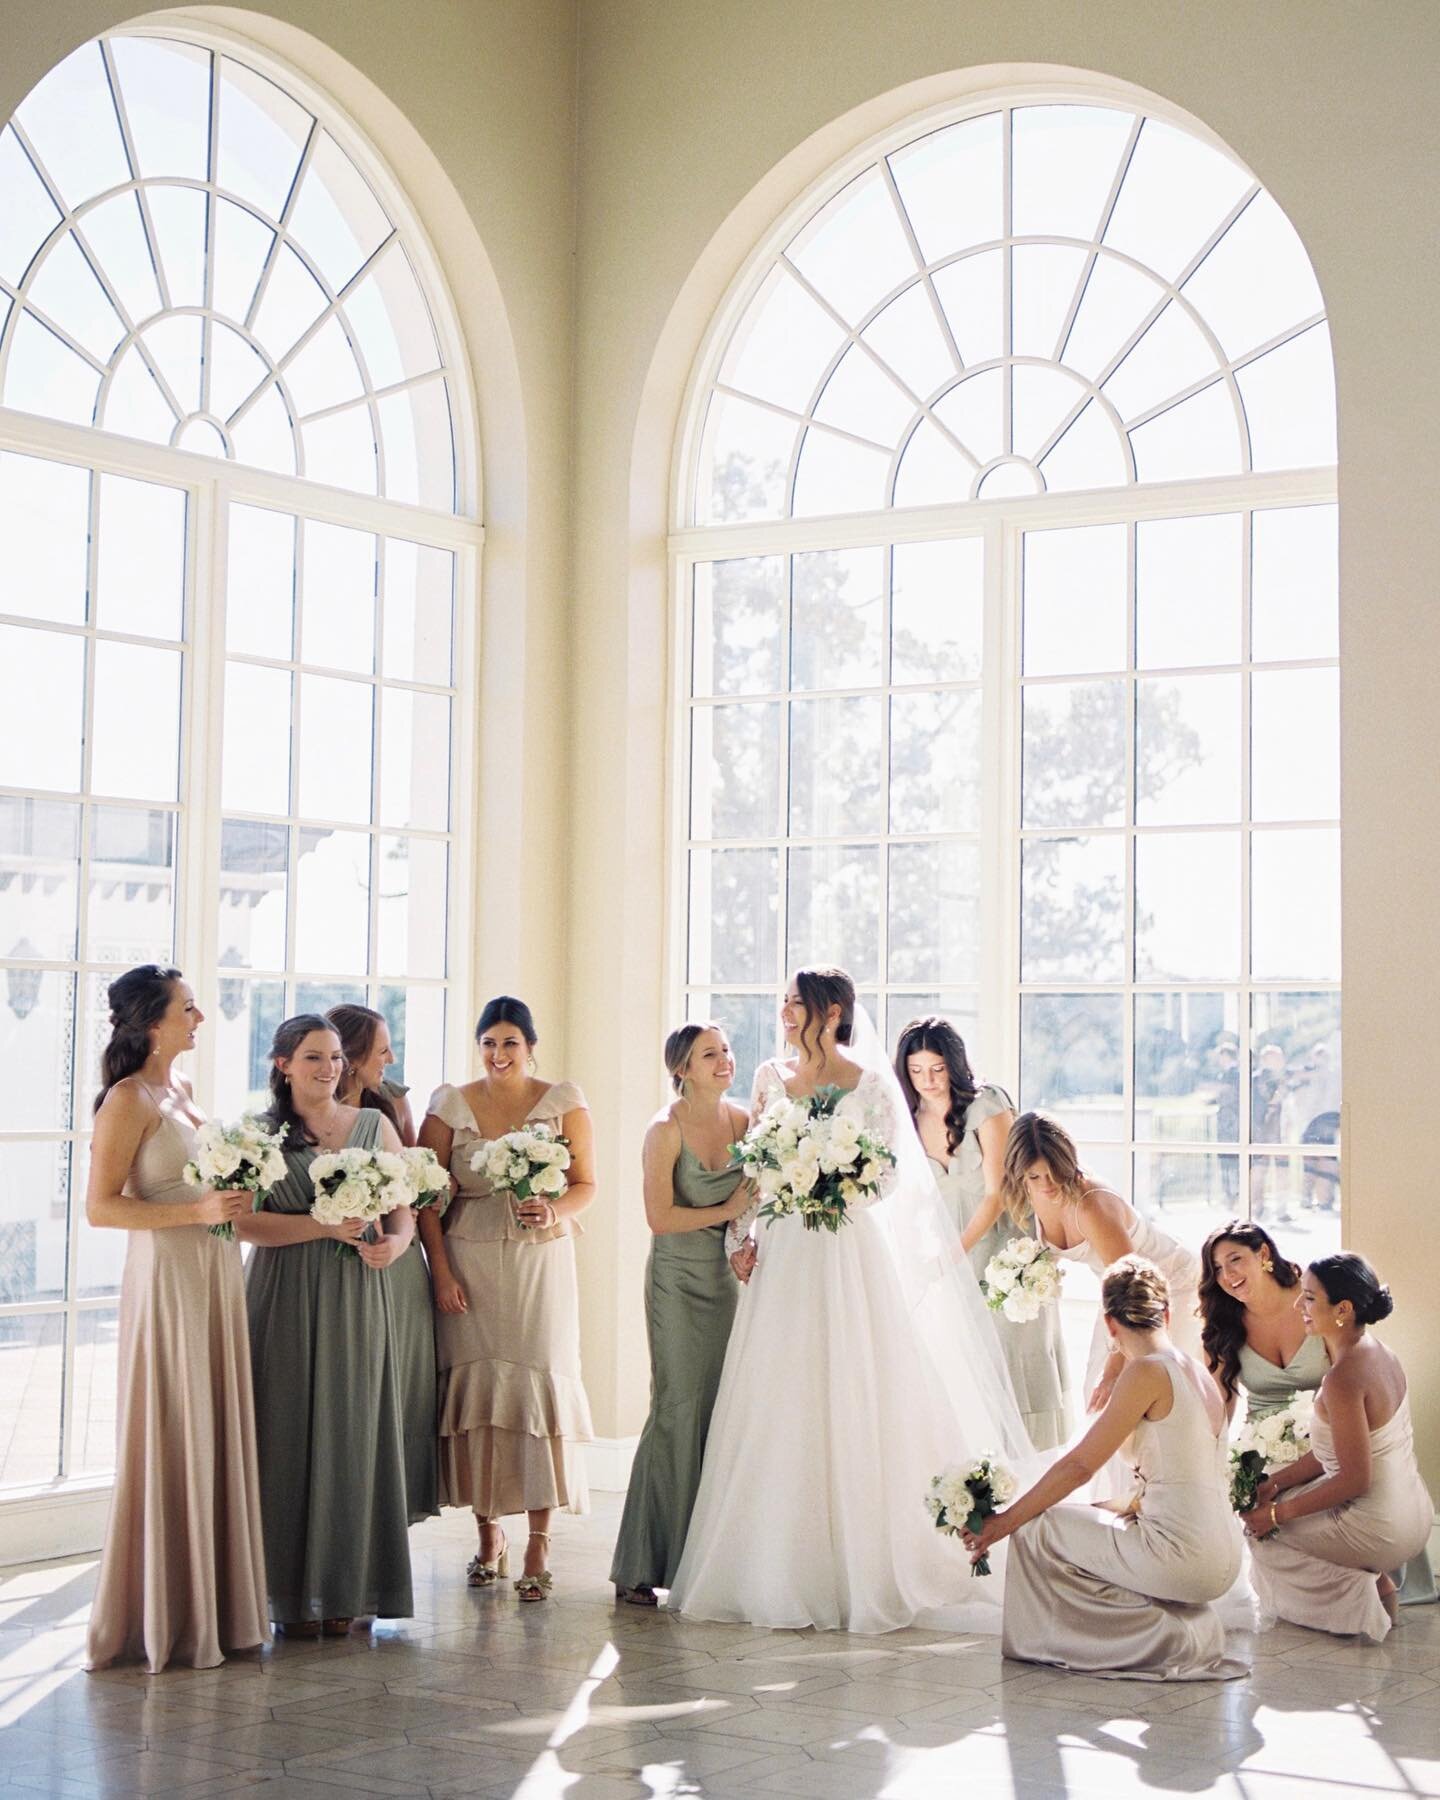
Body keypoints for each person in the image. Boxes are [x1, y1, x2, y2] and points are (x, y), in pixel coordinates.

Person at [668, 966, 1031, 1634]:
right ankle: (777, 1563)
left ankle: (870, 1559)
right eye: (781, 1003)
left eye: (795, 1004)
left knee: (856, 1384)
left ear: (831, 1011)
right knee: (780, 1393)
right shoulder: (769, 1078)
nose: (784, 1013)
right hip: (782, 1252)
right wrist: (738, 1240)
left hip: (844, 1247)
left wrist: (836, 1181)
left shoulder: (869, 1084)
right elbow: (755, 1167)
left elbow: (890, 1172)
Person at [84, 966, 268, 1673]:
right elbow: (102, 1208)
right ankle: (160, 1616)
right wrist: (194, 1212)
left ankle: (212, 1609)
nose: (200, 1019)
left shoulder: (181, 1091)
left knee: (209, 1425)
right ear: (152, 1023)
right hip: (168, 1278)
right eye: (188, 1009)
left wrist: (228, 1197)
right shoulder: (127, 1100)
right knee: (174, 1425)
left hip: (213, 1271)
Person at [962, 1256, 1246, 1682]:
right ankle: (1157, 1629)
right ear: (1165, 1314)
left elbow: (1078, 1465)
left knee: (1035, 1528)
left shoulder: (1147, 1371)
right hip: (1225, 1555)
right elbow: (1180, 1479)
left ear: (1110, 1325)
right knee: (1072, 1517)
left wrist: (1002, 1523)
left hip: (1184, 1557)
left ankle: (1060, 1643)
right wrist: (1104, 1508)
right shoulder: (1196, 1371)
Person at [417, 996, 596, 1602]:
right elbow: (425, 1199)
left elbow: (586, 1184)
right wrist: (440, 1273)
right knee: (480, 1396)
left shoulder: (563, 1101)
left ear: (530, 1045)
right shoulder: (449, 1104)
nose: (498, 1055)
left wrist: (554, 1206)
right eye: (489, 1043)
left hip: (541, 1262)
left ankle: (540, 1541)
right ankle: (488, 1533)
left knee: (537, 1387)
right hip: (468, 1261)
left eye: (510, 1043)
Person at [241, 1015, 415, 1637]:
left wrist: (394, 1247)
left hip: (355, 1294)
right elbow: (243, 1224)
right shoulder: (258, 1136)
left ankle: (348, 1588)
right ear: (283, 1063)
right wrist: (321, 1226)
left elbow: (405, 1214)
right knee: (281, 1432)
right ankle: (280, 1592)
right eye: (315, 1057)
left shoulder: (375, 1126)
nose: (330, 1068)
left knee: (352, 1429)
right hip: (281, 1294)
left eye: (337, 1057)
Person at [609, 1023, 756, 1605]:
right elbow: (659, 1217)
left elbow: (756, 1204)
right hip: (675, 1279)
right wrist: (725, 1208)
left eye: (725, 1051)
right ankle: (640, 1564)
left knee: (719, 1411)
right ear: (683, 1068)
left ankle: (700, 1560)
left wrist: (745, 1238)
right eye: (709, 1055)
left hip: (724, 1281)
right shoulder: (663, 1129)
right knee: (675, 1408)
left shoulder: (745, 1123)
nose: (724, 1061)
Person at [895, 1016, 1069, 1450]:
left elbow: (996, 1194)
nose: (928, 1081)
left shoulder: (986, 1104)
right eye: (917, 1072)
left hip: (1003, 1250)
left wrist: (952, 1255)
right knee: (964, 1365)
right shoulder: (909, 1117)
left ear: (954, 1064)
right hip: (950, 1253)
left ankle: (1034, 1473)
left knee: (1015, 1358)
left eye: (937, 1069)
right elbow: (915, 1195)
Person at [1244, 1253, 1435, 1641]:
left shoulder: (1343, 1379)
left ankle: (1368, 1594)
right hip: (1417, 1517)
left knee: (1260, 1536)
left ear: (1343, 1310)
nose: (1299, 1305)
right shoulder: (1381, 1352)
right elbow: (1334, 1452)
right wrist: (1275, 1483)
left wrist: (1276, 1515)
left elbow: (1354, 1479)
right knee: (1280, 1507)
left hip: (1383, 1528)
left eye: (1310, 1298)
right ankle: (1373, 1583)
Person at [1001, 1112, 1201, 1417]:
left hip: (1166, 1286)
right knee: (1097, 1397)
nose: (1046, 1185)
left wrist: (1113, 1372)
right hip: (1118, 1290)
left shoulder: (1091, 1205)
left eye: (1053, 1172)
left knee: (1145, 1392)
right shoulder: (1032, 1195)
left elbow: (1132, 1289)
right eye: (1034, 1176)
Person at [327, 1002, 438, 1525]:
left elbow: (413, 1186)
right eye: (381, 1049)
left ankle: (390, 1518)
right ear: (352, 1059)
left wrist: (437, 1187)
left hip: (397, 1260)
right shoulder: (308, 1111)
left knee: (402, 1389)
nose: (391, 1058)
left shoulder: (392, 1103)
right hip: (334, 1257)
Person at [1199, 1219, 1324, 1422]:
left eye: (1235, 1259)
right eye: (1218, 1268)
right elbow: (1219, 1414)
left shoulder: (1313, 1299)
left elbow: (1351, 1376)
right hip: (1258, 1448)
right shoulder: (1220, 1326)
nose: (1228, 1275)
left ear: (1264, 1253)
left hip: (1325, 1440)